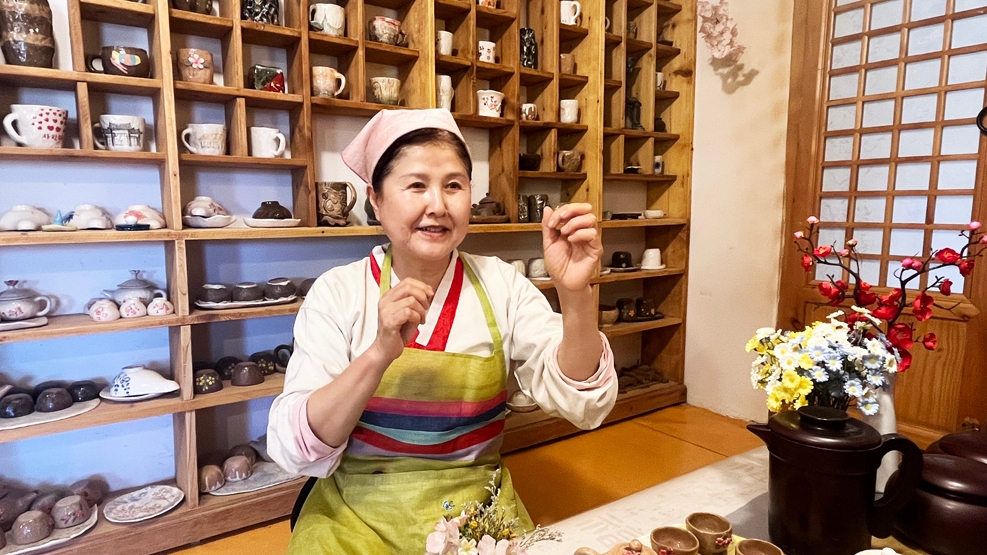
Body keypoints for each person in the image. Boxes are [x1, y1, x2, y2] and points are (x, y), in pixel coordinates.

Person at [267, 109, 618, 554]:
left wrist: (574, 294)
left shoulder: (501, 284)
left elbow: (582, 401)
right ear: (375, 199)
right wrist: (378, 354)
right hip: (355, 515)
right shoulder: (339, 292)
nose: (437, 205)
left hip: (478, 518)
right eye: (416, 185)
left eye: (453, 185)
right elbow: (297, 448)